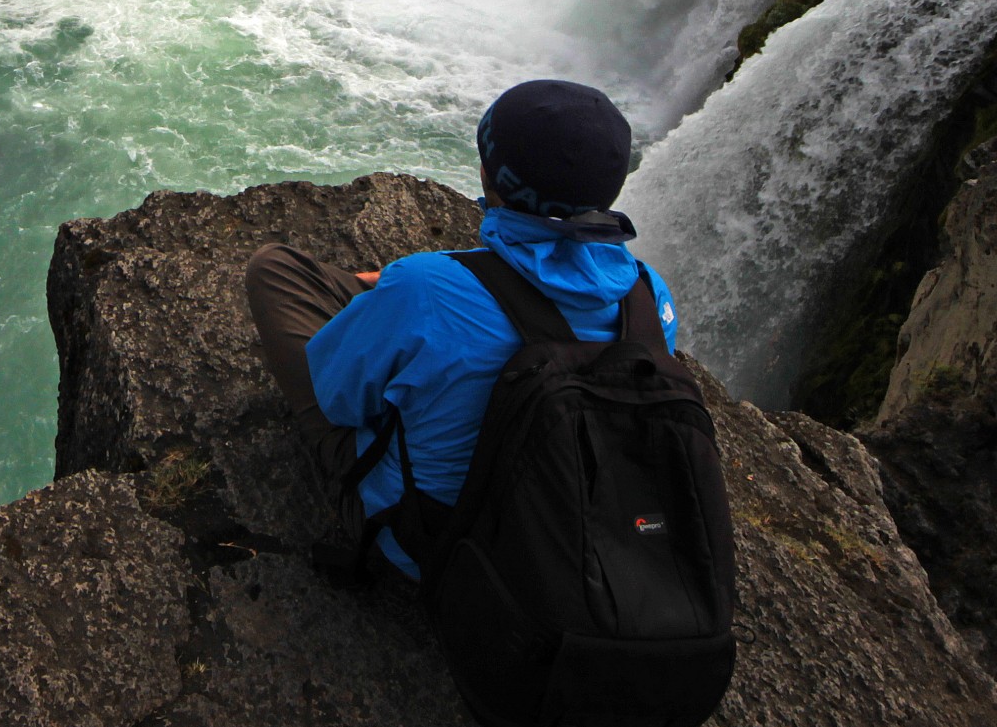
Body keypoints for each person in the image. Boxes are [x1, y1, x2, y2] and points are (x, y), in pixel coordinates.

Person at [243, 79, 677, 578]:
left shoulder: (425, 287)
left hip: (428, 543)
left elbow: (340, 401)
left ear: (491, 175)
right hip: (568, 546)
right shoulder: (649, 297)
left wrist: (410, 297)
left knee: (273, 269)